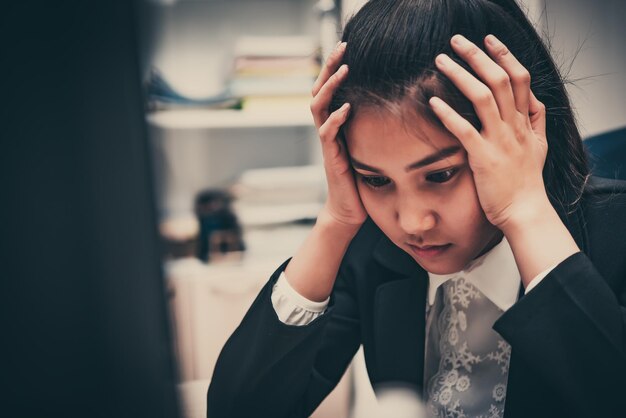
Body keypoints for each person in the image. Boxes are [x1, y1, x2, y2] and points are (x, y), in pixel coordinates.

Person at [207, 1, 626, 417]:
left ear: (517, 133)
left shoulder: (615, 235)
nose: (412, 223)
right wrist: (335, 222)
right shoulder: (372, 247)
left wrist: (525, 211)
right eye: (376, 179)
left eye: (440, 175)